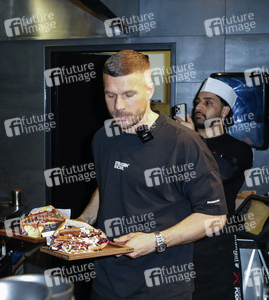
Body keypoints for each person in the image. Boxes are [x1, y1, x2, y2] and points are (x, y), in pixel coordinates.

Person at [86, 50, 227, 299]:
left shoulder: (184, 142)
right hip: (106, 284)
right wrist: (82, 223)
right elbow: (107, 185)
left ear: (150, 89)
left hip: (163, 289)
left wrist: (155, 241)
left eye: (129, 95)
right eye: (110, 95)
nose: (118, 106)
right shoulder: (102, 138)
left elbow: (214, 217)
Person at [174, 77, 253, 300]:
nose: (198, 107)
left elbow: (222, 173)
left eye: (208, 102)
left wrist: (193, 139)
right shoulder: (181, 143)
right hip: (177, 239)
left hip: (214, 246)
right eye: (198, 101)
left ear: (225, 110)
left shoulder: (239, 149)